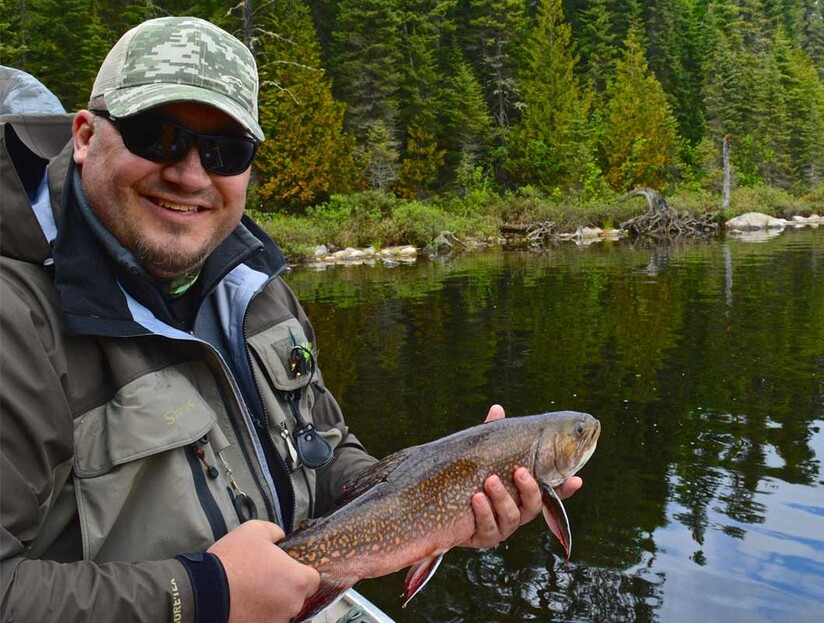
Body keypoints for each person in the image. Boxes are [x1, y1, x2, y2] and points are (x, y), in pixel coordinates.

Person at [0, 16, 581, 623]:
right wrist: (200, 595)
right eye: (157, 135)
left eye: (226, 151)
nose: (191, 174)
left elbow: (323, 452)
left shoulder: (255, 285)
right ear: (88, 136)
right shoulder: (17, 322)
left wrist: (434, 493)